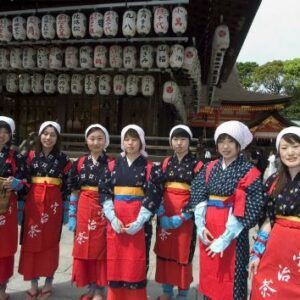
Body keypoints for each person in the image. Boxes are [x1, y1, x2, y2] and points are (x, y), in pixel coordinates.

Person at [190, 120, 265, 300]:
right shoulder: (209, 168)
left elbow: (253, 206)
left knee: (233, 275)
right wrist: (200, 225)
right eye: (221, 141)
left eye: (230, 141)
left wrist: (226, 237)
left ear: (239, 145)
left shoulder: (250, 172)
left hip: (234, 231)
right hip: (210, 227)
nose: (225, 146)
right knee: (211, 274)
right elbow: (198, 193)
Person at [100, 124, 160, 300]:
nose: (130, 143)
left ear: (141, 142)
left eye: (134, 139)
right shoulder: (112, 165)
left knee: (136, 261)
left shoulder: (150, 168)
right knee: (115, 259)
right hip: (116, 220)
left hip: (139, 221)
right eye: (127, 139)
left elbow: (153, 195)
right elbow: (104, 191)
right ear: (122, 142)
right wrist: (112, 217)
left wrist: (140, 221)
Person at [18, 121, 72, 300]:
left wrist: (65, 209)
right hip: (33, 203)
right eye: (45, 134)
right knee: (31, 241)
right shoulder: (30, 156)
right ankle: (33, 284)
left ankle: (48, 282)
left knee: (50, 243)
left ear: (57, 138)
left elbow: (67, 186)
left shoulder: (64, 159)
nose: (48, 138)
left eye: (52, 135)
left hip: (53, 205)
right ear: (40, 136)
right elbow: (24, 182)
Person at [250, 126, 300, 299]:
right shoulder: (273, 181)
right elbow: (268, 220)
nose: (290, 152)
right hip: (275, 250)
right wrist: (256, 252)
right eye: (285, 148)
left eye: (295, 146)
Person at [154, 125, 203, 300]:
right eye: (175, 139)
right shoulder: (166, 162)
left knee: (183, 255)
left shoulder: (198, 165)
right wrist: (159, 210)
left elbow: (199, 194)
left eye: (183, 139)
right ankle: (167, 293)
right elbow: (157, 187)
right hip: (165, 214)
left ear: (189, 142)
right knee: (165, 253)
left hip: (185, 219)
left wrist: (184, 216)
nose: (179, 143)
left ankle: (183, 294)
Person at [68, 124, 111, 300]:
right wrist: (71, 214)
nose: (96, 142)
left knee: (101, 249)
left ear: (105, 141)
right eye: (92, 138)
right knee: (84, 248)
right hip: (84, 208)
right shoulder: (78, 163)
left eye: (100, 138)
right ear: (87, 140)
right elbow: (74, 190)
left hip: (103, 208)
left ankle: (100, 289)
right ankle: (91, 287)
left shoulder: (112, 163)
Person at [0, 116, 27, 300]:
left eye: (5, 132)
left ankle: (2, 286)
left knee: (4, 248)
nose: (1, 135)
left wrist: (16, 184)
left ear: (11, 135)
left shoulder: (16, 157)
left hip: (6, 208)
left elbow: (27, 183)